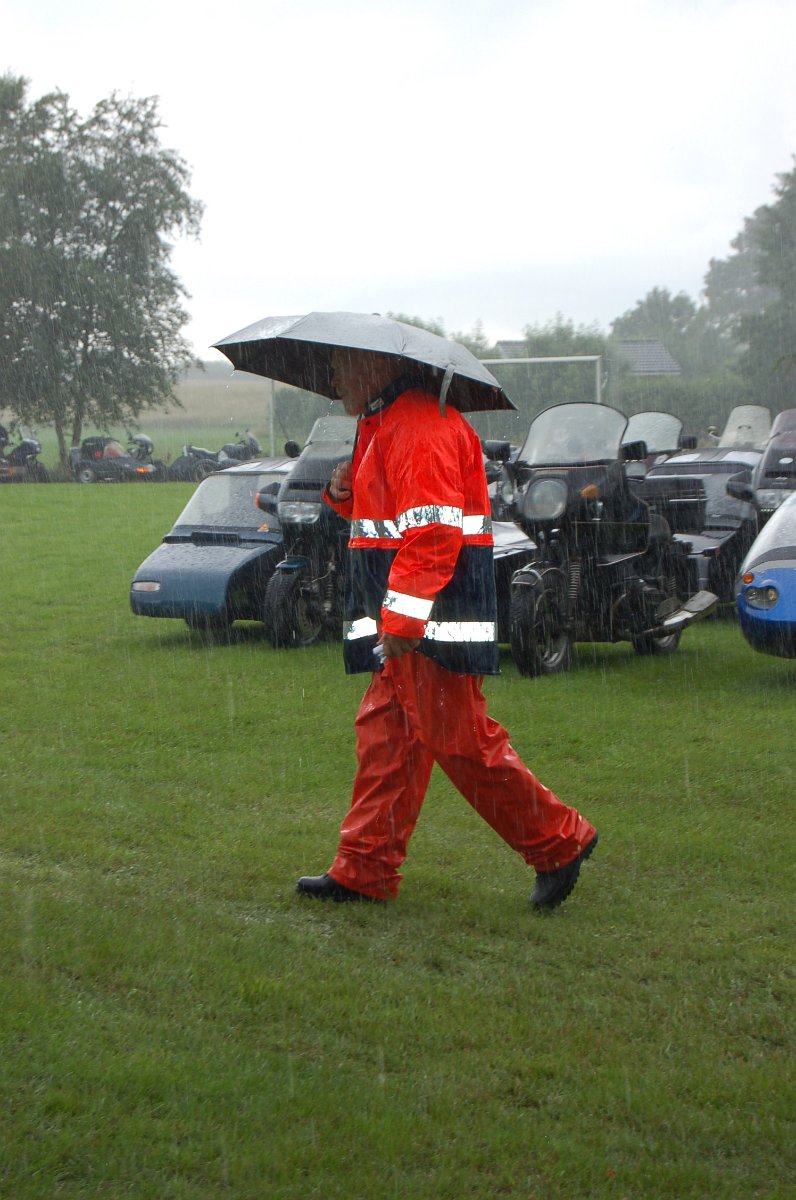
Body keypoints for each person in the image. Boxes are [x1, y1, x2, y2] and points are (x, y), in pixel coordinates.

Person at [296, 348, 598, 910]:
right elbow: (390, 518)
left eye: (338, 365)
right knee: (387, 737)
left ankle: (560, 842)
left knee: (459, 740)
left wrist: (406, 619)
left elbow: (433, 533)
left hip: (428, 616)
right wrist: (345, 493)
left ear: (376, 366)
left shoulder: (418, 425)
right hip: (406, 616)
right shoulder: (386, 421)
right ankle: (364, 870)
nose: (330, 377)